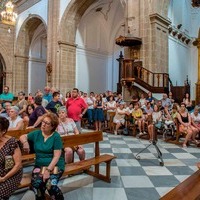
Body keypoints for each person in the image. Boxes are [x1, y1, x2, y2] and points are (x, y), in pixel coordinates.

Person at [20, 113, 65, 200]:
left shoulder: (56, 137)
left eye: (47, 123)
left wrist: (48, 170)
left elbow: (56, 156)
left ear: (52, 127)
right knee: (36, 184)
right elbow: (22, 136)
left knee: (50, 184)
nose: (43, 124)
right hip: (39, 165)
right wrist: (25, 143)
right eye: (43, 121)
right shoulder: (37, 133)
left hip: (55, 165)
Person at [0, 117, 23, 199]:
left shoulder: (12, 142)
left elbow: (18, 165)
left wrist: (3, 178)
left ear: (3, 131)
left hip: (12, 174)